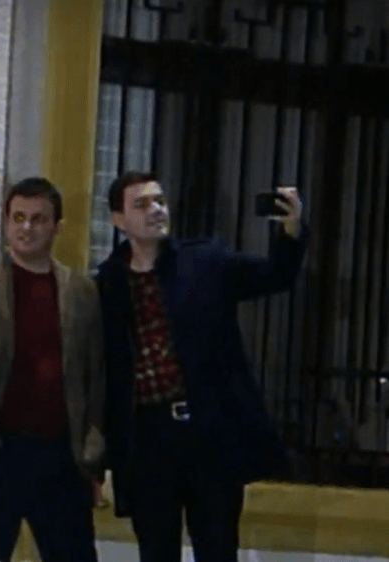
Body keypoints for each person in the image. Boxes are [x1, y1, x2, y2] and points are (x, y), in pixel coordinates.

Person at [94, 171, 308, 562]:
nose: (155, 210)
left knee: (218, 547)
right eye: (141, 204)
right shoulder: (107, 284)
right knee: (156, 550)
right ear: (118, 220)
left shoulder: (204, 260)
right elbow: (103, 374)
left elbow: (275, 276)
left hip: (209, 432)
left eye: (159, 201)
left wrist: (291, 229)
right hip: (148, 438)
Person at [0, 177, 105, 562]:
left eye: (39, 219)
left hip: (61, 452)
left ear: (57, 227)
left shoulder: (80, 291)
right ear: (6, 222)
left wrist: (94, 456)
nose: (27, 228)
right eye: (18, 218)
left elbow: (94, 376)